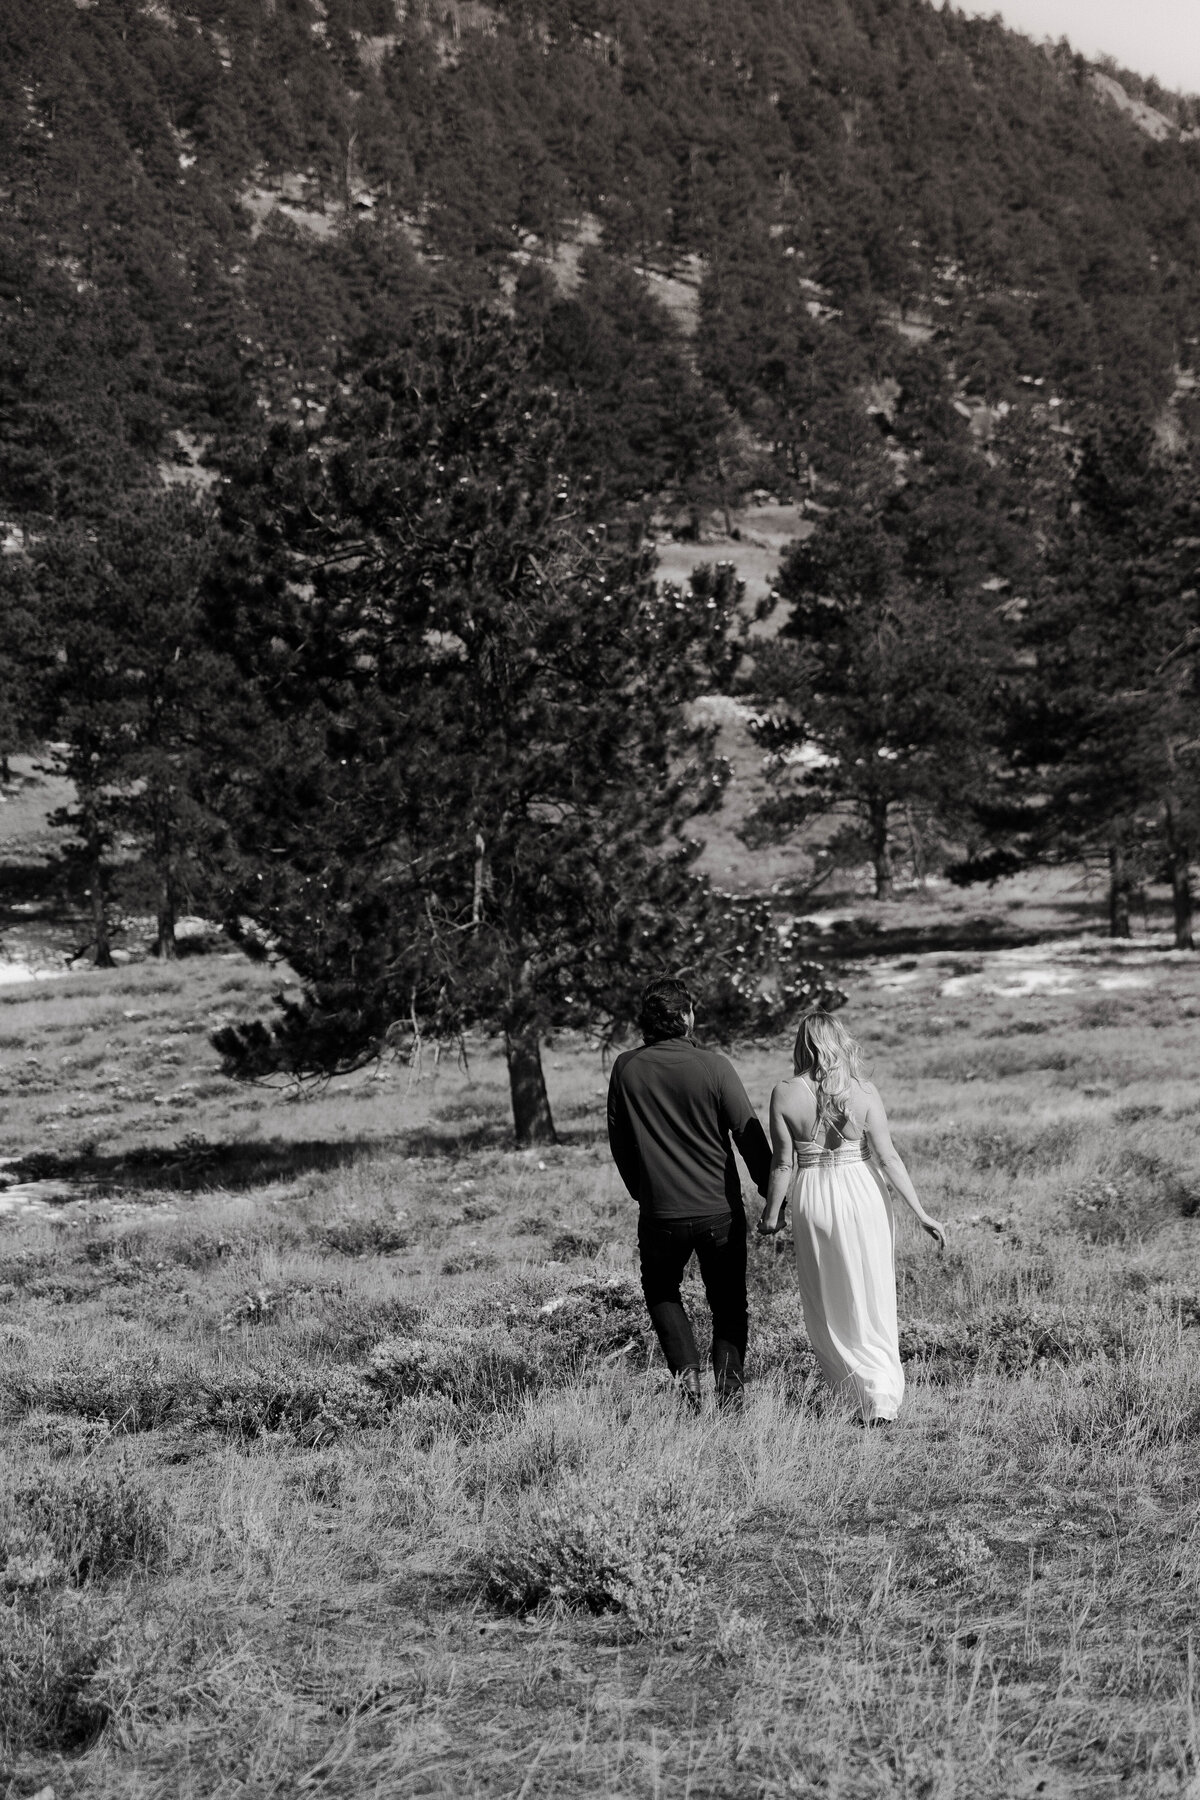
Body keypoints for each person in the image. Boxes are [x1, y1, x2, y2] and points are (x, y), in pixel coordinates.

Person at [758, 1009, 945, 1425]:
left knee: (828, 1297)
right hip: (865, 1192)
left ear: (802, 1044)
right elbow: (889, 1157)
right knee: (873, 1289)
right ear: (839, 1040)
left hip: (816, 1197)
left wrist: (771, 1216)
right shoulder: (865, 1090)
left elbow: (783, 1164)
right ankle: (882, 1394)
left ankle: (855, 1392)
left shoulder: (784, 1092)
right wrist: (922, 1213)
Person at [607, 977, 771, 1410]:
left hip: (661, 1212)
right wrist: (773, 1192)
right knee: (729, 1302)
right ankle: (731, 1399)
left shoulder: (625, 1067)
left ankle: (690, 1385)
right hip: (719, 1211)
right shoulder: (714, 1066)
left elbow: (619, 1142)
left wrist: (642, 1193)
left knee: (661, 1291)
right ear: (683, 1017)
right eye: (692, 1009)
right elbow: (747, 1135)